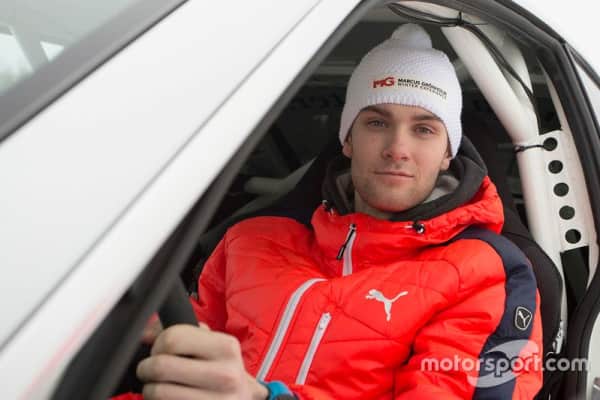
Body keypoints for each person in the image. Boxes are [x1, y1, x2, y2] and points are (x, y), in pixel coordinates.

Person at [115, 23, 543, 400]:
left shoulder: (485, 274)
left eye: (424, 129)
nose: (398, 148)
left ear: (448, 152)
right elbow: (172, 368)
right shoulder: (250, 239)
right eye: (377, 122)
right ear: (348, 139)